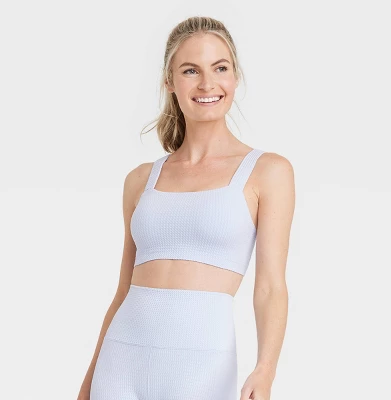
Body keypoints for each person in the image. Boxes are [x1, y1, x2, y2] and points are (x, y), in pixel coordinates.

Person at [78, 15, 295, 400]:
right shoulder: (141, 180)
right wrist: (88, 382)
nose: (207, 83)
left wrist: (265, 370)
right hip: (120, 363)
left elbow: (270, 287)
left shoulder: (267, 172)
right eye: (191, 70)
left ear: (235, 76)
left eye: (220, 68)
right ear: (170, 81)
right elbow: (123, 290)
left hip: (201, 367)